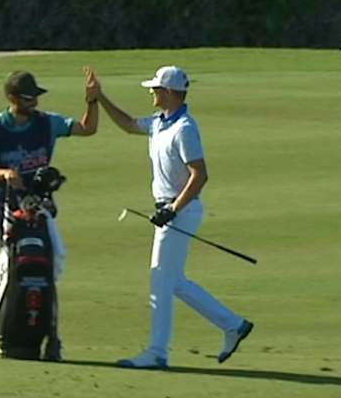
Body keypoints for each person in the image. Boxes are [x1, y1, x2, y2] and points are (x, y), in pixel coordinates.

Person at [91, 65, 253, 369]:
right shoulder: (159, 123)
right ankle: (233, 325)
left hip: (180, 211)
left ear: (167, 92)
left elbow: (200, 175)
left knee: (159, 281)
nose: (151, 92)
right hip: (171, 212)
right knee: (174, 282)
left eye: (155, 88)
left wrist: (172, 210)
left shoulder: (185, 129)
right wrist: (100, 98)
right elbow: (127, 124)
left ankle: (157, 352)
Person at [0, 69, 99, 360]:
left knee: (51, 265)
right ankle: (8, 326)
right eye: (28, 98)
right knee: (13, 265)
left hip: (39, 204)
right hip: (3, 204)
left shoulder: (46, 123)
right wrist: (4, 173)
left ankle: (52, 339)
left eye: (35, 98)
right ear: (12, 98)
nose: (34, 104)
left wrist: (92, 102)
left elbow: (86, 128)